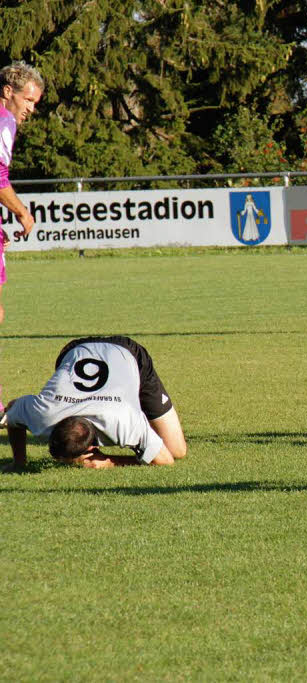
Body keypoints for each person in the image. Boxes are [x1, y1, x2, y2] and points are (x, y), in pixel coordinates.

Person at [1, 336, 188, 469]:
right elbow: (13, 411)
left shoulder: (124, 421)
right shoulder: (44, 413)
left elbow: (166, 460)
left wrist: (109, 461)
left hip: (128, 354)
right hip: (75, 351)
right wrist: (19, 463)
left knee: (176, 450)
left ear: (91, 448)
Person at [0, 61, 44, 325]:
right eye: (27, 99)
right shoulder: (4, 121)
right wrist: (22, 212)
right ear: (8, 92)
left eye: (35, 102)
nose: (31, 108)